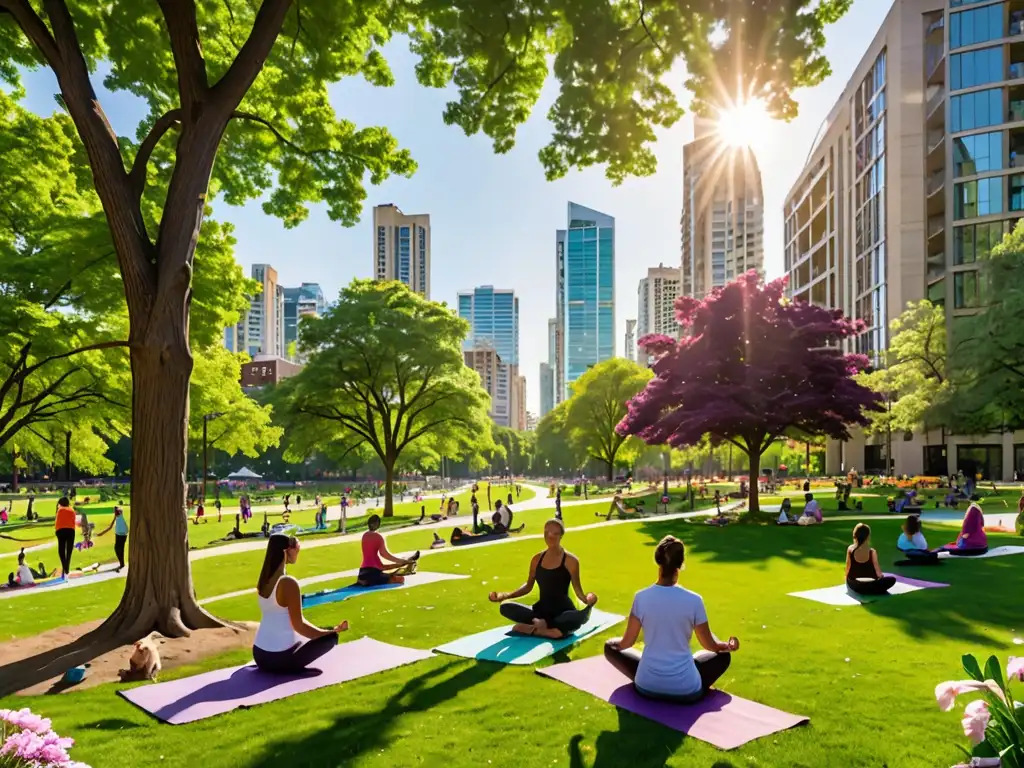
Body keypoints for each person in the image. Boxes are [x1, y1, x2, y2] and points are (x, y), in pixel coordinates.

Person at [603, 535, 738, 702]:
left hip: (646, 685)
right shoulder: (694, 600)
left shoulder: (641, 597)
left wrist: (612, 643)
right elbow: (709, 645)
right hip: (685, 689)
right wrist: (726, 646)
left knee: (610, 647)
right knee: (723, 656)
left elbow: (626, 643)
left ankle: (654, 675)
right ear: (681, 564)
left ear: (658, 561)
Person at [253, 534, 348, 674]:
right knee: (331, 638)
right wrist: (331, 632)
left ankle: (325, 632)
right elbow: (299, 625)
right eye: (296, 548)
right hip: (278, 658)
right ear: (286, 551)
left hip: (259, 654)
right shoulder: (288, 583)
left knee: (321, 631)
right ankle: (292, 668)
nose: (298, 550)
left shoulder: (264, 581)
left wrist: (326, 630)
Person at [488, 519, 597, 638]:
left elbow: (579, 591)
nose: (550, 536)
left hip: (562, 612)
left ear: (561, 535)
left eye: (555, 533)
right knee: (505, 607)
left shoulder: (571, 561)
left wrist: (589, 598)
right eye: (547, 532)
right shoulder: (536, 559)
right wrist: (505, 596)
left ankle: (537, 628)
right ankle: (549, 630)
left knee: (577, 617)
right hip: (541, 611)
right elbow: (528, 587)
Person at [358, 515, 419, 586]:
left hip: (362, 573)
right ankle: (370, 581)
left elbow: (382, 566)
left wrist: (400, 564)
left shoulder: (364, 536)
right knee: (401, 579)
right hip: (373, 574)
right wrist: (403, 562)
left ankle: (365, 581)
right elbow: (385, 555)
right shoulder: (378, 537)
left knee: (388, 574)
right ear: (378, 524)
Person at [846, 523, 896, 595]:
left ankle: (868, 589)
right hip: (870, 584)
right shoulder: (872, 552)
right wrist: (881, 577)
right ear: (868, 537)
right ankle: (873, 589)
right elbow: (878, 573)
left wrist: (847, 579)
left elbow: (848, 567)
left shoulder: (850, 549)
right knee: (892, 579)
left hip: (855, 585)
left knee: (868, 586)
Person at [99, 507, 129, 572]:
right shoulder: (116, 516)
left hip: (122, 535)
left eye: (115, 511)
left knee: (120, 549)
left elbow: (120, 510)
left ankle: (122, 564)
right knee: (117, 549)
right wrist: (102, 533)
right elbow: (110, 526)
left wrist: (118, 510)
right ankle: (122, 563)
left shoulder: (120, 513)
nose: (114, 513)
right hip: (118, 534)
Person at [54, 497, 76, 578]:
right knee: (69, 551)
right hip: (71, 531)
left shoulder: (60, 509)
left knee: (61, 550)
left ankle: (65, 568)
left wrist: (56, 532)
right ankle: (66, 569)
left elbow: (57, 522)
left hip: (61, 530)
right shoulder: (72, 509)